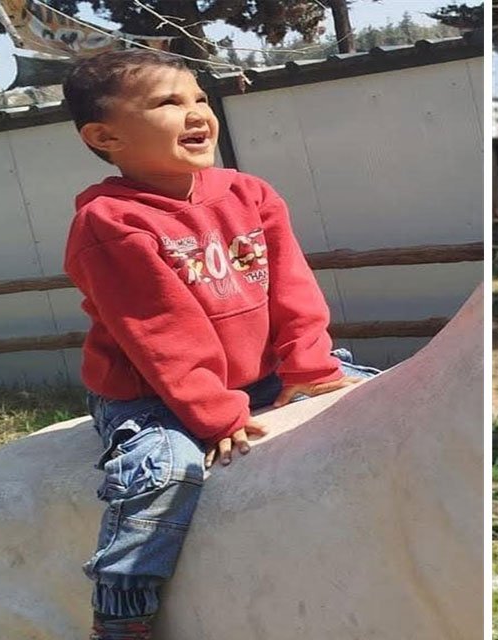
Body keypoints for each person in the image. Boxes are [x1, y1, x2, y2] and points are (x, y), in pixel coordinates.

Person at [61, 49, 376, 640]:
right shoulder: (109, 223)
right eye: (167, 103)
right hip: (154, 394)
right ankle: (123, 616)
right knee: (160, 477)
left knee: (396, 400)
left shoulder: (248, 194)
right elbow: (162, 334)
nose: (196, 112)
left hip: (264, 372)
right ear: (106, 136)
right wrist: (214, 413)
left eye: (199, 98)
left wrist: (309, 364)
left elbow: (292, 287)